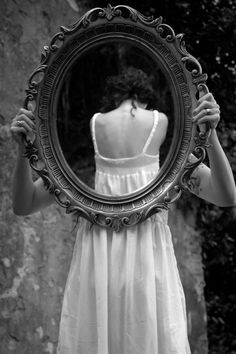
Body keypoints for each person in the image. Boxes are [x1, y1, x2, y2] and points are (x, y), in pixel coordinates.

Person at [11, 67, 236, 354]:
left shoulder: (87, 176)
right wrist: (22, 150)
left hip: (100, 274)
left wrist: (211, 136)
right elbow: (226, 196)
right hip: (144, 273)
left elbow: (23, 204)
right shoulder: (88, 176)